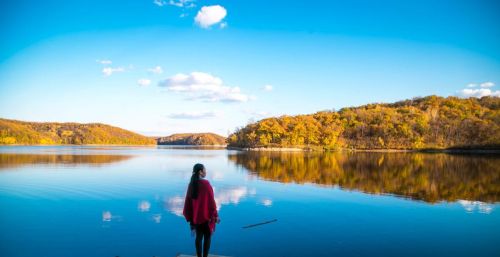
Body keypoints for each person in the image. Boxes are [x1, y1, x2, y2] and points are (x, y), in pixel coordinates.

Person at [183, 163, 220, 257]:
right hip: (207, 218)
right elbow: (212, 202)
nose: (206, 172)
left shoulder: (191, 184)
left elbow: (188, 202)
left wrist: (191, 217)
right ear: (200, 172)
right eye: (205, 170)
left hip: (196, 218)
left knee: (198, 237)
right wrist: (215, 216)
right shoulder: (206, 184)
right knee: (207, 237)